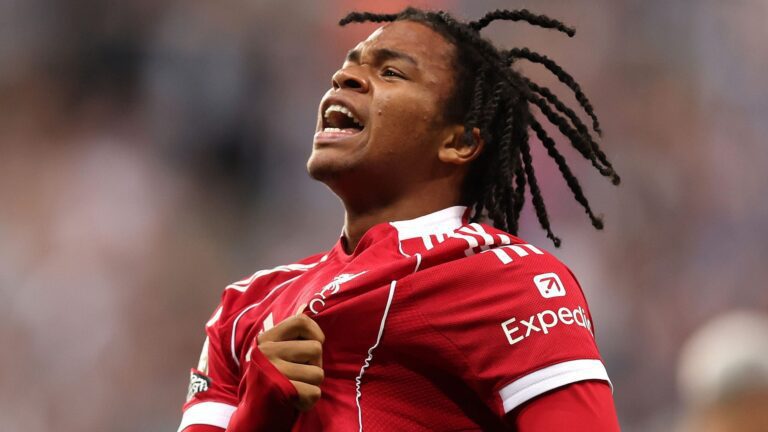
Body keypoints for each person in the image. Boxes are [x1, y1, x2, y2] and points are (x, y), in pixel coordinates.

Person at [178, 7, 621, 431]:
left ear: (460, 142)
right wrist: (257, 414)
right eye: (349, 66)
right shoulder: (243, 308)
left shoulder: (512, 283)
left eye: (391, 72)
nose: (344, 77)